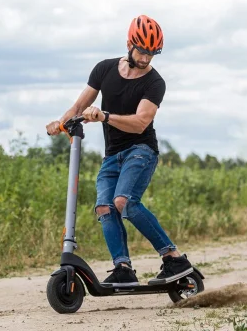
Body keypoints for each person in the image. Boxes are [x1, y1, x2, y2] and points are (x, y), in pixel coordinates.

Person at [46, 15, 193, 286]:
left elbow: (140, 124)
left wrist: (104, 116)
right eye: (142, 51)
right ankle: (123, 268)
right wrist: (60, 122)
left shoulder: (154, 83)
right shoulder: (104, 69)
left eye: (152, 53)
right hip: (112, 155)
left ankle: (174, 258)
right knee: (104, 207)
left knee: (124, 202)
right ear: (129, 44)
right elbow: (78, 107)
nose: (146, 58)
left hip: (141, 150)